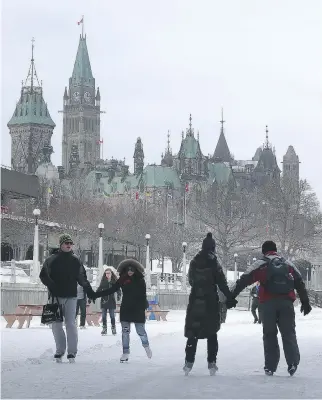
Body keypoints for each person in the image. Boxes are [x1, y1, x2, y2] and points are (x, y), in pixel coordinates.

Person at [231, 240, 312, 376]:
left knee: (269, 334)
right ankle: (292, 363)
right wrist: (305, 302)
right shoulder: (287, 263)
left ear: (264, 251)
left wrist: (232, 296)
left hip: (267, 304)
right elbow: (299, 281)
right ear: (275, 250)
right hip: (286, 303)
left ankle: (270, 366)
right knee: (288, 333)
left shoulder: (261, 264)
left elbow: (244, 279)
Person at [183, 233, 238, 376]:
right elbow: (222, 283)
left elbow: (191, 281)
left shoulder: (194, 262)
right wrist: (230, 298)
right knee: (212, 333)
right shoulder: (215, 263)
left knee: (192, 334)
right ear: (213, 247)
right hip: (210, 302)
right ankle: (211, 363)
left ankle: (188, 362)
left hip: (195, 301)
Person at [39, 233, 95, 363]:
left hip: (71, 296)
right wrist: (51, 285)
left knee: (70, 324)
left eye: (70, 243)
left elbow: (81, 277)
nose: (69, 245)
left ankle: (72, 352)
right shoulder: (51, 259)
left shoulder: (75, 260)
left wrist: (89, 291)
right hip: (55, 296)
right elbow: (43, 275)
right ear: (61, 245)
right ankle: (60, 350)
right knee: (56, 325)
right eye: (66, 243)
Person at [94, 258, 151, 362]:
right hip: (126, 308)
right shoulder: (123, 279)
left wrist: (144, 306)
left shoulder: (140, 280)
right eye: (128, 270)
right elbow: (112, 289)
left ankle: (146, 346)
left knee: (140, 331)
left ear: (135, 271)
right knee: (125, 331)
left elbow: (143, 295)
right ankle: (125, 352)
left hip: (137, 308)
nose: (130, 272)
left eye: (132, 270)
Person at [97, 266, 122, 335]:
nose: (107, 274)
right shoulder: (103, 281)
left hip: (111, 300)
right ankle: (104, 329)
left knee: (112, 316)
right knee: (104, 316)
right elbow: (99, 289)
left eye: (108, 273)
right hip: (104, 300)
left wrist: (119, 295)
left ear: (111, 274)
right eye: (106, 273)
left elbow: (118, 289)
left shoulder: (114, 281)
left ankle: (113, 328)